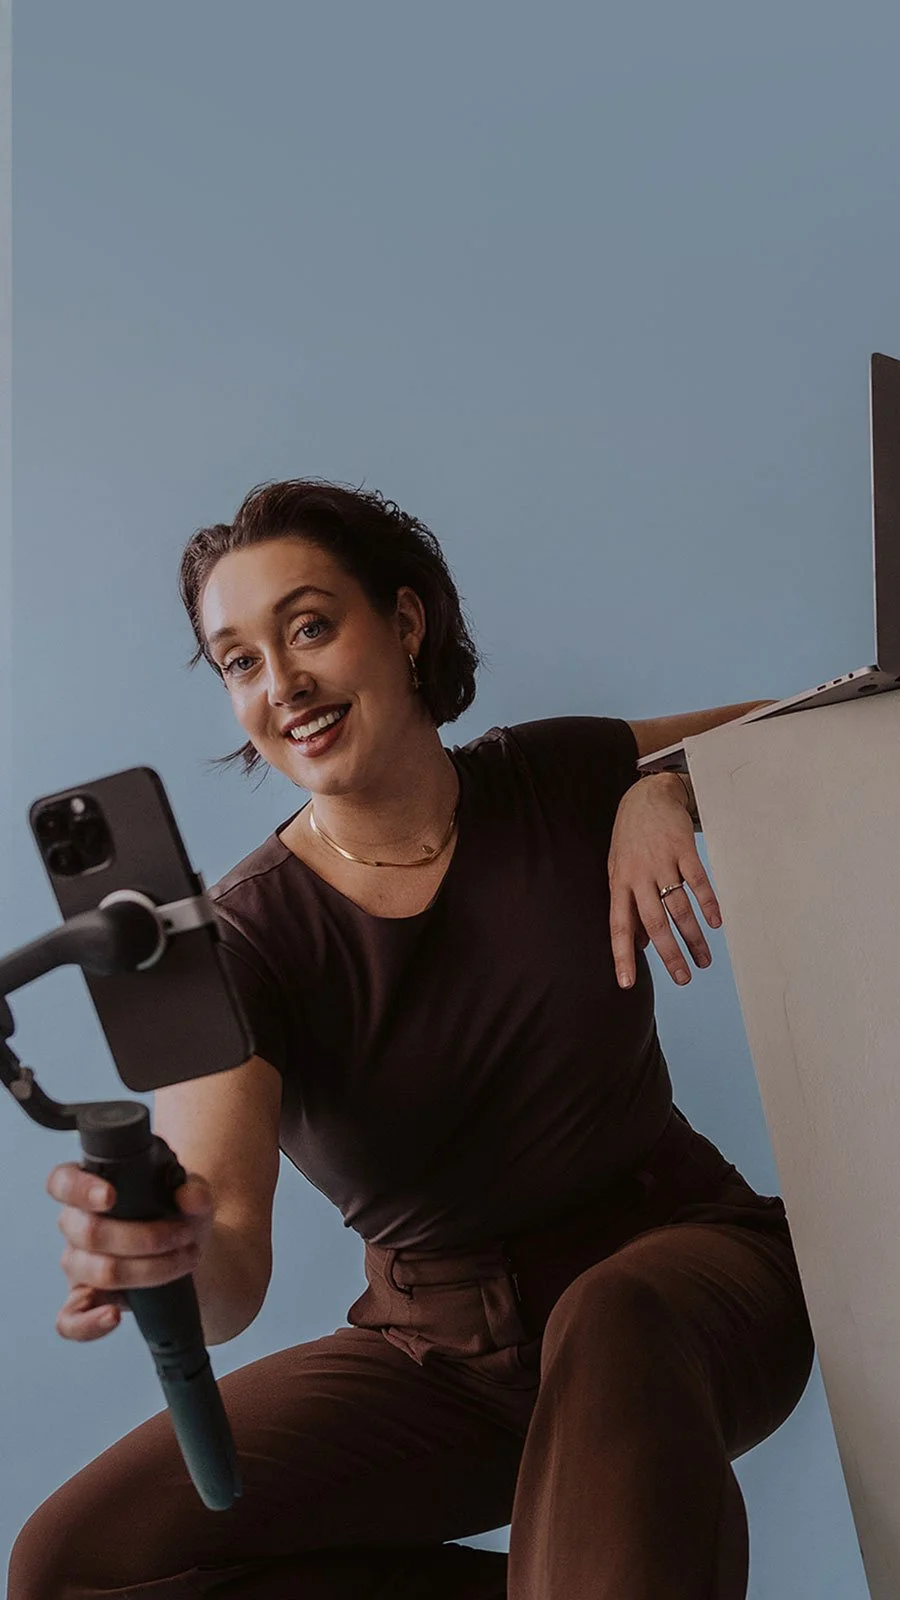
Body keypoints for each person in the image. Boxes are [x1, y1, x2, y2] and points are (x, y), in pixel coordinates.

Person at [8, 480, 815, 1600]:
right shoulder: (243, 940)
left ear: (403, 622)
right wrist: (167, 1262)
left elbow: (828, 716)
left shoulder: (555, 776)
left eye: (308, 627)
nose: (282, 684)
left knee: (610, 1315)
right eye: (239, 660)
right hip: (442, 1355)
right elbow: (228, 1254)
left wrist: (665, 785)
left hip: (686, 1275)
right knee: (68, 1567)